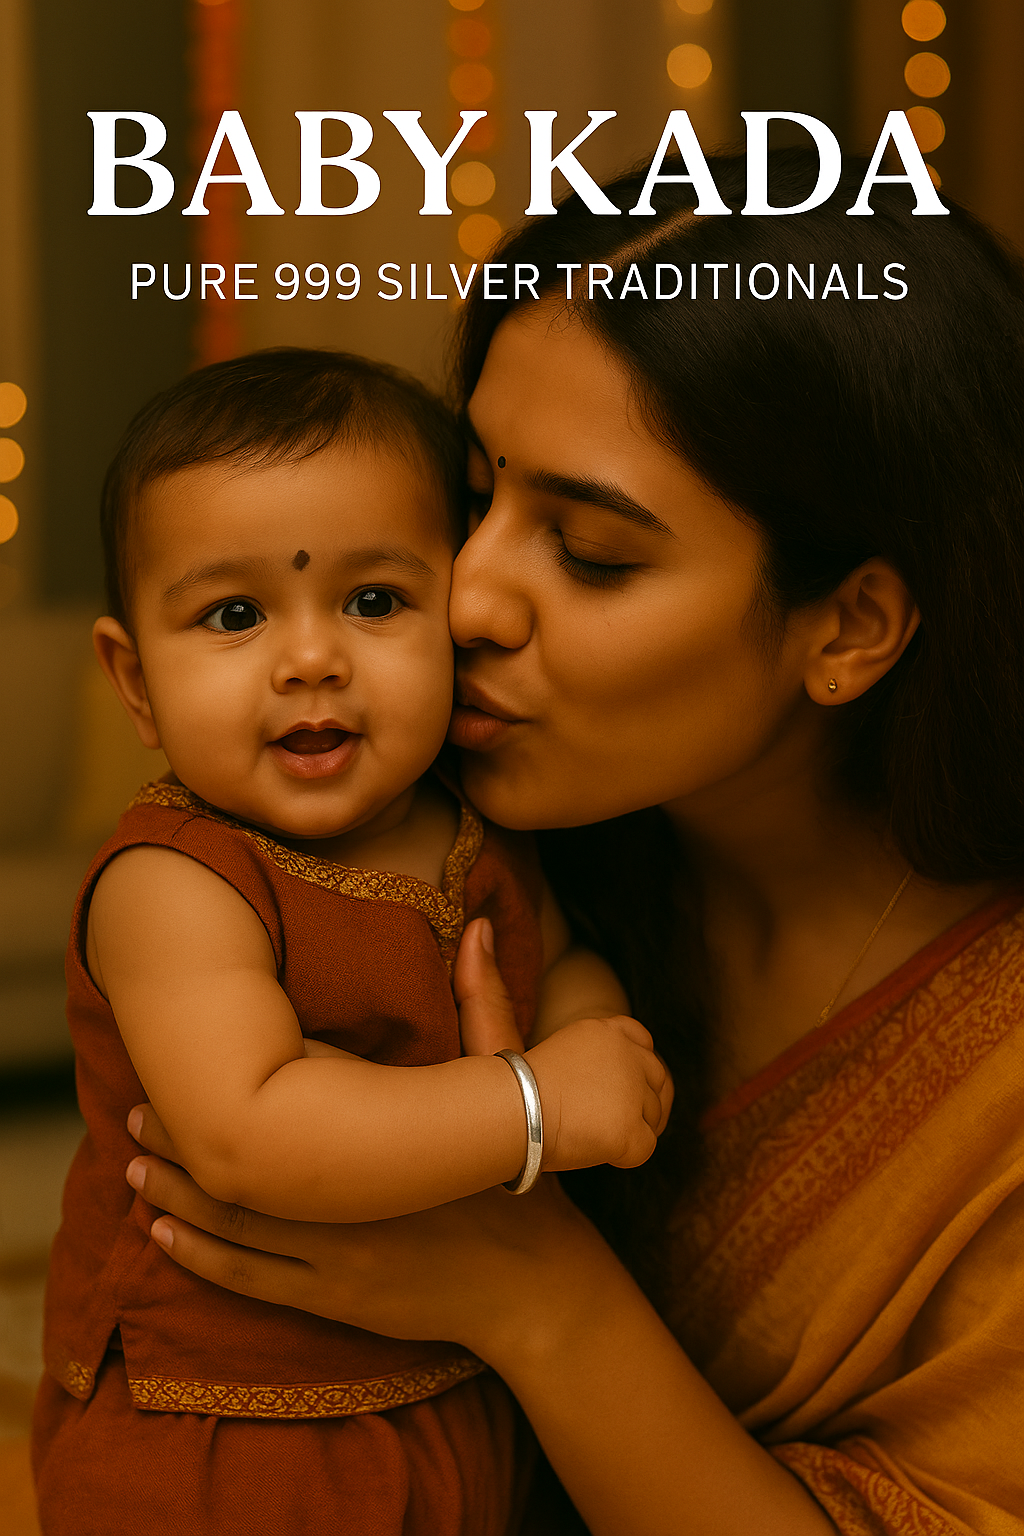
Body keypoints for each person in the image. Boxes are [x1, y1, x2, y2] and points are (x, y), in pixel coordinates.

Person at [119, 150, 1024, 1536]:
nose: (465, 597)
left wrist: (535, 1294)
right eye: (473, 496)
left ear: (848, 627)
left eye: (591, 552)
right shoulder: (470, 852)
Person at [30, 349, 672, 1536]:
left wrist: (591, 1030)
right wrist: (535, 1105)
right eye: (234, 616)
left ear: (453, 613)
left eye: (375, 602)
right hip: (227, 1435)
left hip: (448, 1383)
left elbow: (553, 953)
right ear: (135, 681)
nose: (312, 657)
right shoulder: (175, 881)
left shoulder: (477, 817)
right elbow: (249, 1128)